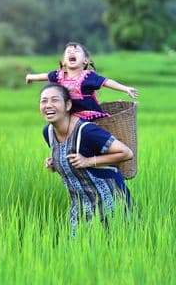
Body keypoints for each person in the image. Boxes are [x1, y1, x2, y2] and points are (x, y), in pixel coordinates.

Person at [40, 83, 133, 234]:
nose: (48, 105)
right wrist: (55, 163)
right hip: (80, 205)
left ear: (68, 105)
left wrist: (88, 161)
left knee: (116, 248)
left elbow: (126, 153)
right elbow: (70, 159)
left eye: (55, 100)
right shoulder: (49, 132)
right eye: (44, 101)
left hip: (110, 201)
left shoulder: (87, 131)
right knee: (78, 251)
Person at [26, 42, 138, 120]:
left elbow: (107, 82)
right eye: (68, 52)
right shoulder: (58, 75)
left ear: (85, 61)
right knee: (50, 129)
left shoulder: (88, 76)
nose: (71, 53)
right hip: (68, 116)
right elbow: (45, 76)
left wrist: (125, 89)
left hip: (88, 116)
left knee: (82, 129)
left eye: (76, 51)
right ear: (63, 62)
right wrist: (30, 77)